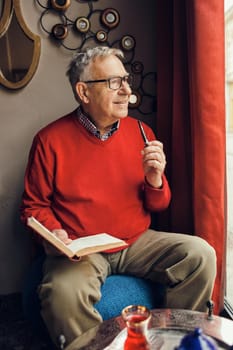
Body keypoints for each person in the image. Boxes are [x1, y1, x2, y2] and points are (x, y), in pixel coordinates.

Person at [20, 46, 216, 349]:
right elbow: (34, 206)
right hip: (82, 249)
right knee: (61, 292)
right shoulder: (49, 140)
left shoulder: (142, 130)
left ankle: (174, 341)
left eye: (125, 80)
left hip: (137, 240)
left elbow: (159, 204)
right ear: (84, 92)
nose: (126, 90)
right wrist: (55, 233)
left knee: (200, 254)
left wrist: (155, 179)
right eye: (114, 82)